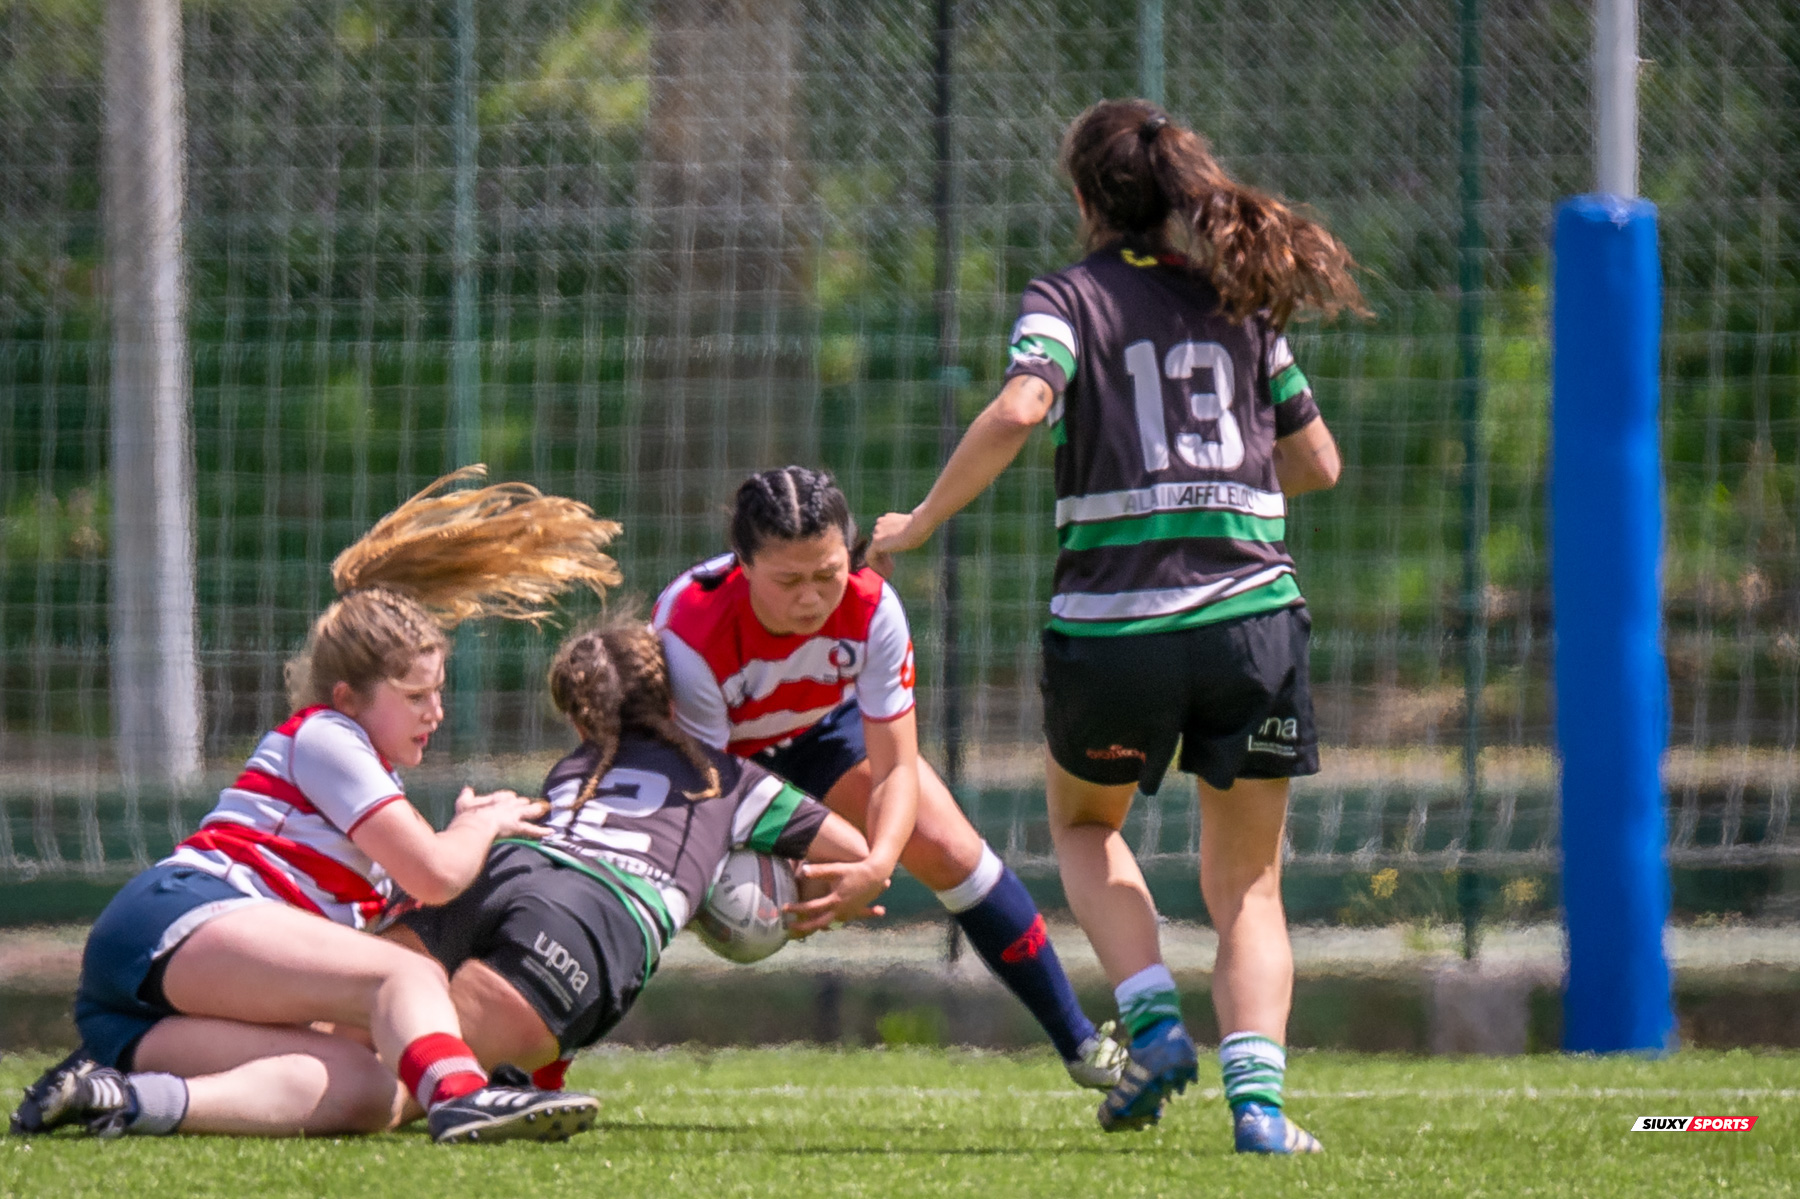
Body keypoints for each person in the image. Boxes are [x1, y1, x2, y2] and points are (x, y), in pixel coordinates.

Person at [869, 99, 1366, 1151]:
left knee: (1087, 827)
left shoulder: (1068, 297)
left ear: (1087, 198)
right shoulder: (1240, 302)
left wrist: (917, 521)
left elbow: (1019, 407)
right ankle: (1263, 1110)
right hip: (1253, 620)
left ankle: (1151, 1019)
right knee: (1249, 885)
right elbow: (1318, 463)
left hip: (1115, 627)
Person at [10, 467, 621, 1144]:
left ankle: (121, 1094)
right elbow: (436, 873)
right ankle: (461, 1099)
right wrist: (479, 825)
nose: (436, 712)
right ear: (347, 694)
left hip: (139, 1022)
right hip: (176, 918)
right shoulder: (327, 735)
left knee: (365, 1089)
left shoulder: (359, 765)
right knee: (404, 972)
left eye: (438, 692)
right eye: (415, 696)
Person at [651, 466, 1124, 1090]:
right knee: (648, 891)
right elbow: (717, 790)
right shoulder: (690, 622)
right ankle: (538, 1066)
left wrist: (875, 864)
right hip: (716, 765)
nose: (812, 598)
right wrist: (787, 850)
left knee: (950, 849)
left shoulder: (872, 604)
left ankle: (1081, 1045)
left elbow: (896, 764)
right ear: (741, 563)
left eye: (826, 573)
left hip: (822, 733)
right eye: (787, 580)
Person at [384, 616, 881, 1077]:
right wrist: (774, 894)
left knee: (369, 1021)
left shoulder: (573, 769)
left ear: (580, 721)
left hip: (502, 868)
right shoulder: (728, 779)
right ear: (674, 703)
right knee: (403, 1083)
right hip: (588, 914)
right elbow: (853, 850)